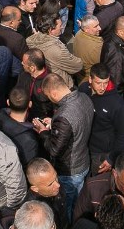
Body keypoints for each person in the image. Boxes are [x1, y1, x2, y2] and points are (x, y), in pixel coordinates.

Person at [32, 73, 92, 213]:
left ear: (53, 92)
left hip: (70, 170)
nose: (49, 99)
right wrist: (54, 123)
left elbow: (54, 149)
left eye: (48, 95)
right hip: (83, 160)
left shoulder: (64, 115)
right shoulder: (84, 97)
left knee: (69, 205)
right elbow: (75, 127)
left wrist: (43, 132)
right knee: (80, 199)